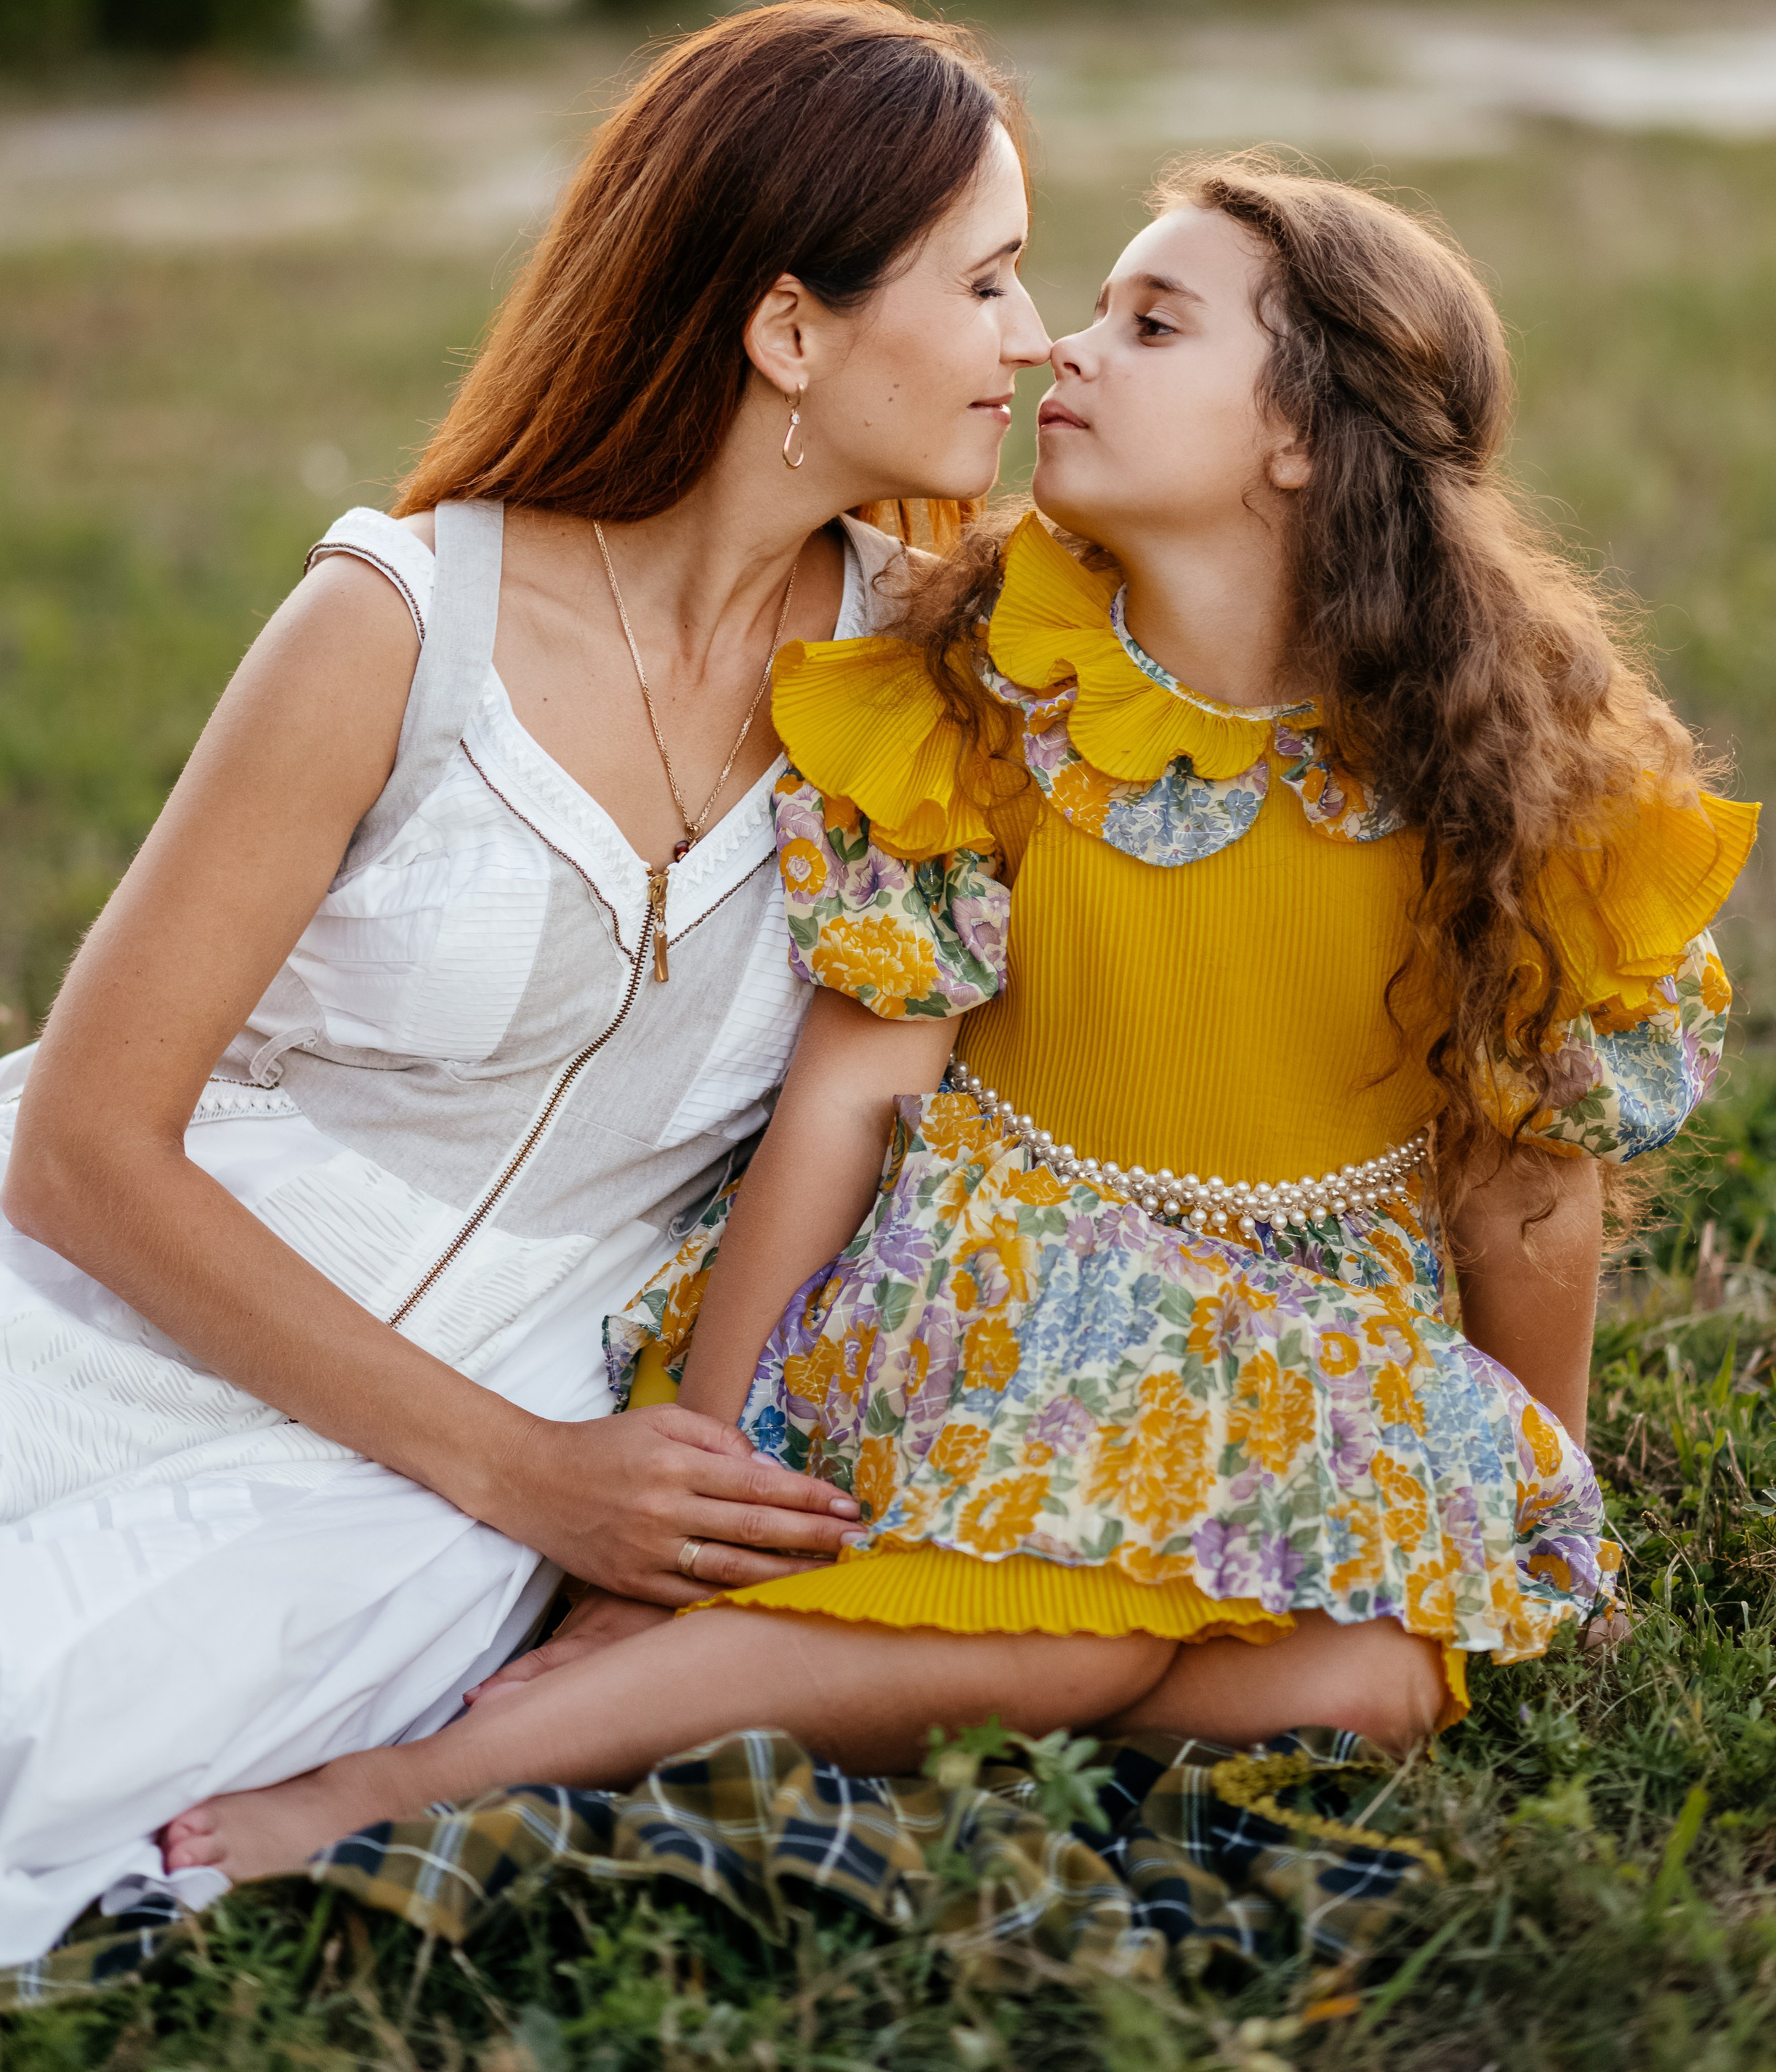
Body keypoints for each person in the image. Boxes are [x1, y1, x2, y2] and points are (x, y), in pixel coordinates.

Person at [161, 157, 1756, 1881]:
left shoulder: (1502, 773)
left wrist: (1539, 1489)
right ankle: (412, 1783)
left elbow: (1525, 1194)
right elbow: (848, 1101)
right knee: (1071, 1630)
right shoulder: (994, 688)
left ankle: (851, 1670)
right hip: (988, 1326)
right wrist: (704, 1482)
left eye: (1150, 324)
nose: (1061, 346)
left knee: (1369, 1682)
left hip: (1299, 1353)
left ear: (1301, 435)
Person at [0, 0, 1053, 1974]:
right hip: (131, 1292)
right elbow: (86, 1154)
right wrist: (527, 1478)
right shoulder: (396, 616)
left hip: (473, 1441)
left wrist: (565, 1491)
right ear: (789, 332)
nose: (1032, 341)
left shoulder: (931, 684)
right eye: (987, 280)